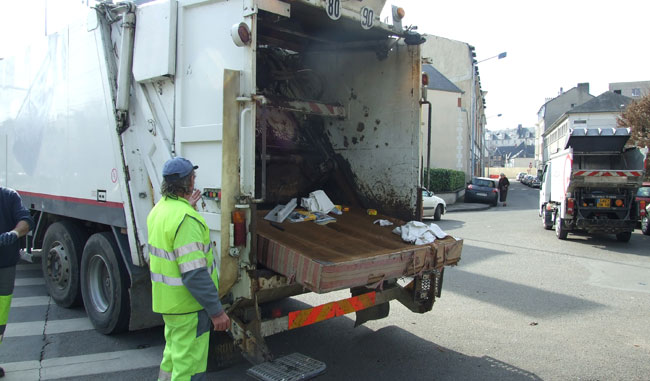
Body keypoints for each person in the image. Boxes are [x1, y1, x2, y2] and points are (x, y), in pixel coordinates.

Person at [146, 157, 230, 381]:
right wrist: (216, 311)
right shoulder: (186, 220)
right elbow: (194, 274)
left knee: (173, 359)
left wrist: (188, 207)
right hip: (189, 308)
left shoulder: (159, 210)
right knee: (189, 369)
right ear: (189, 183)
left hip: (169, 304)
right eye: (193, 176)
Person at [0, 187, 35, 378]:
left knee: (0, 316)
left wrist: (13, 234)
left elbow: (26, 221)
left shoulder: (8, 196)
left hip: (4, 265)